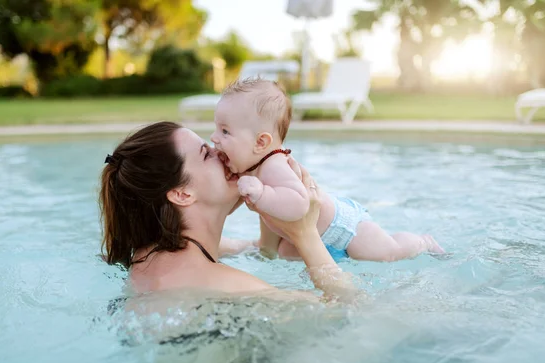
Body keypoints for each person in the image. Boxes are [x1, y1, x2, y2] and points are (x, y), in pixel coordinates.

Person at [99, 121, 354, 302]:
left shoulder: (151, 255)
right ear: (182, 194)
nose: (221, 152)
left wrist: (273, 203)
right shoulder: (230, 286)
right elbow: (350, 312)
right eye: (205, 154)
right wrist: (305, 234)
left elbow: (259, 251)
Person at [210, 77, 445, 263]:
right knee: (284, 255)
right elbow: (227, 208)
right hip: (308, 236)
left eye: (225, 131)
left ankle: (423, 242)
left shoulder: (274, 165)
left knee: (385, 253)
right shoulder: (250, 166)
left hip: (345, 228)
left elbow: (299, 204)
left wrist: (261, 194)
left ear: (260, 142)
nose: (214, 137)